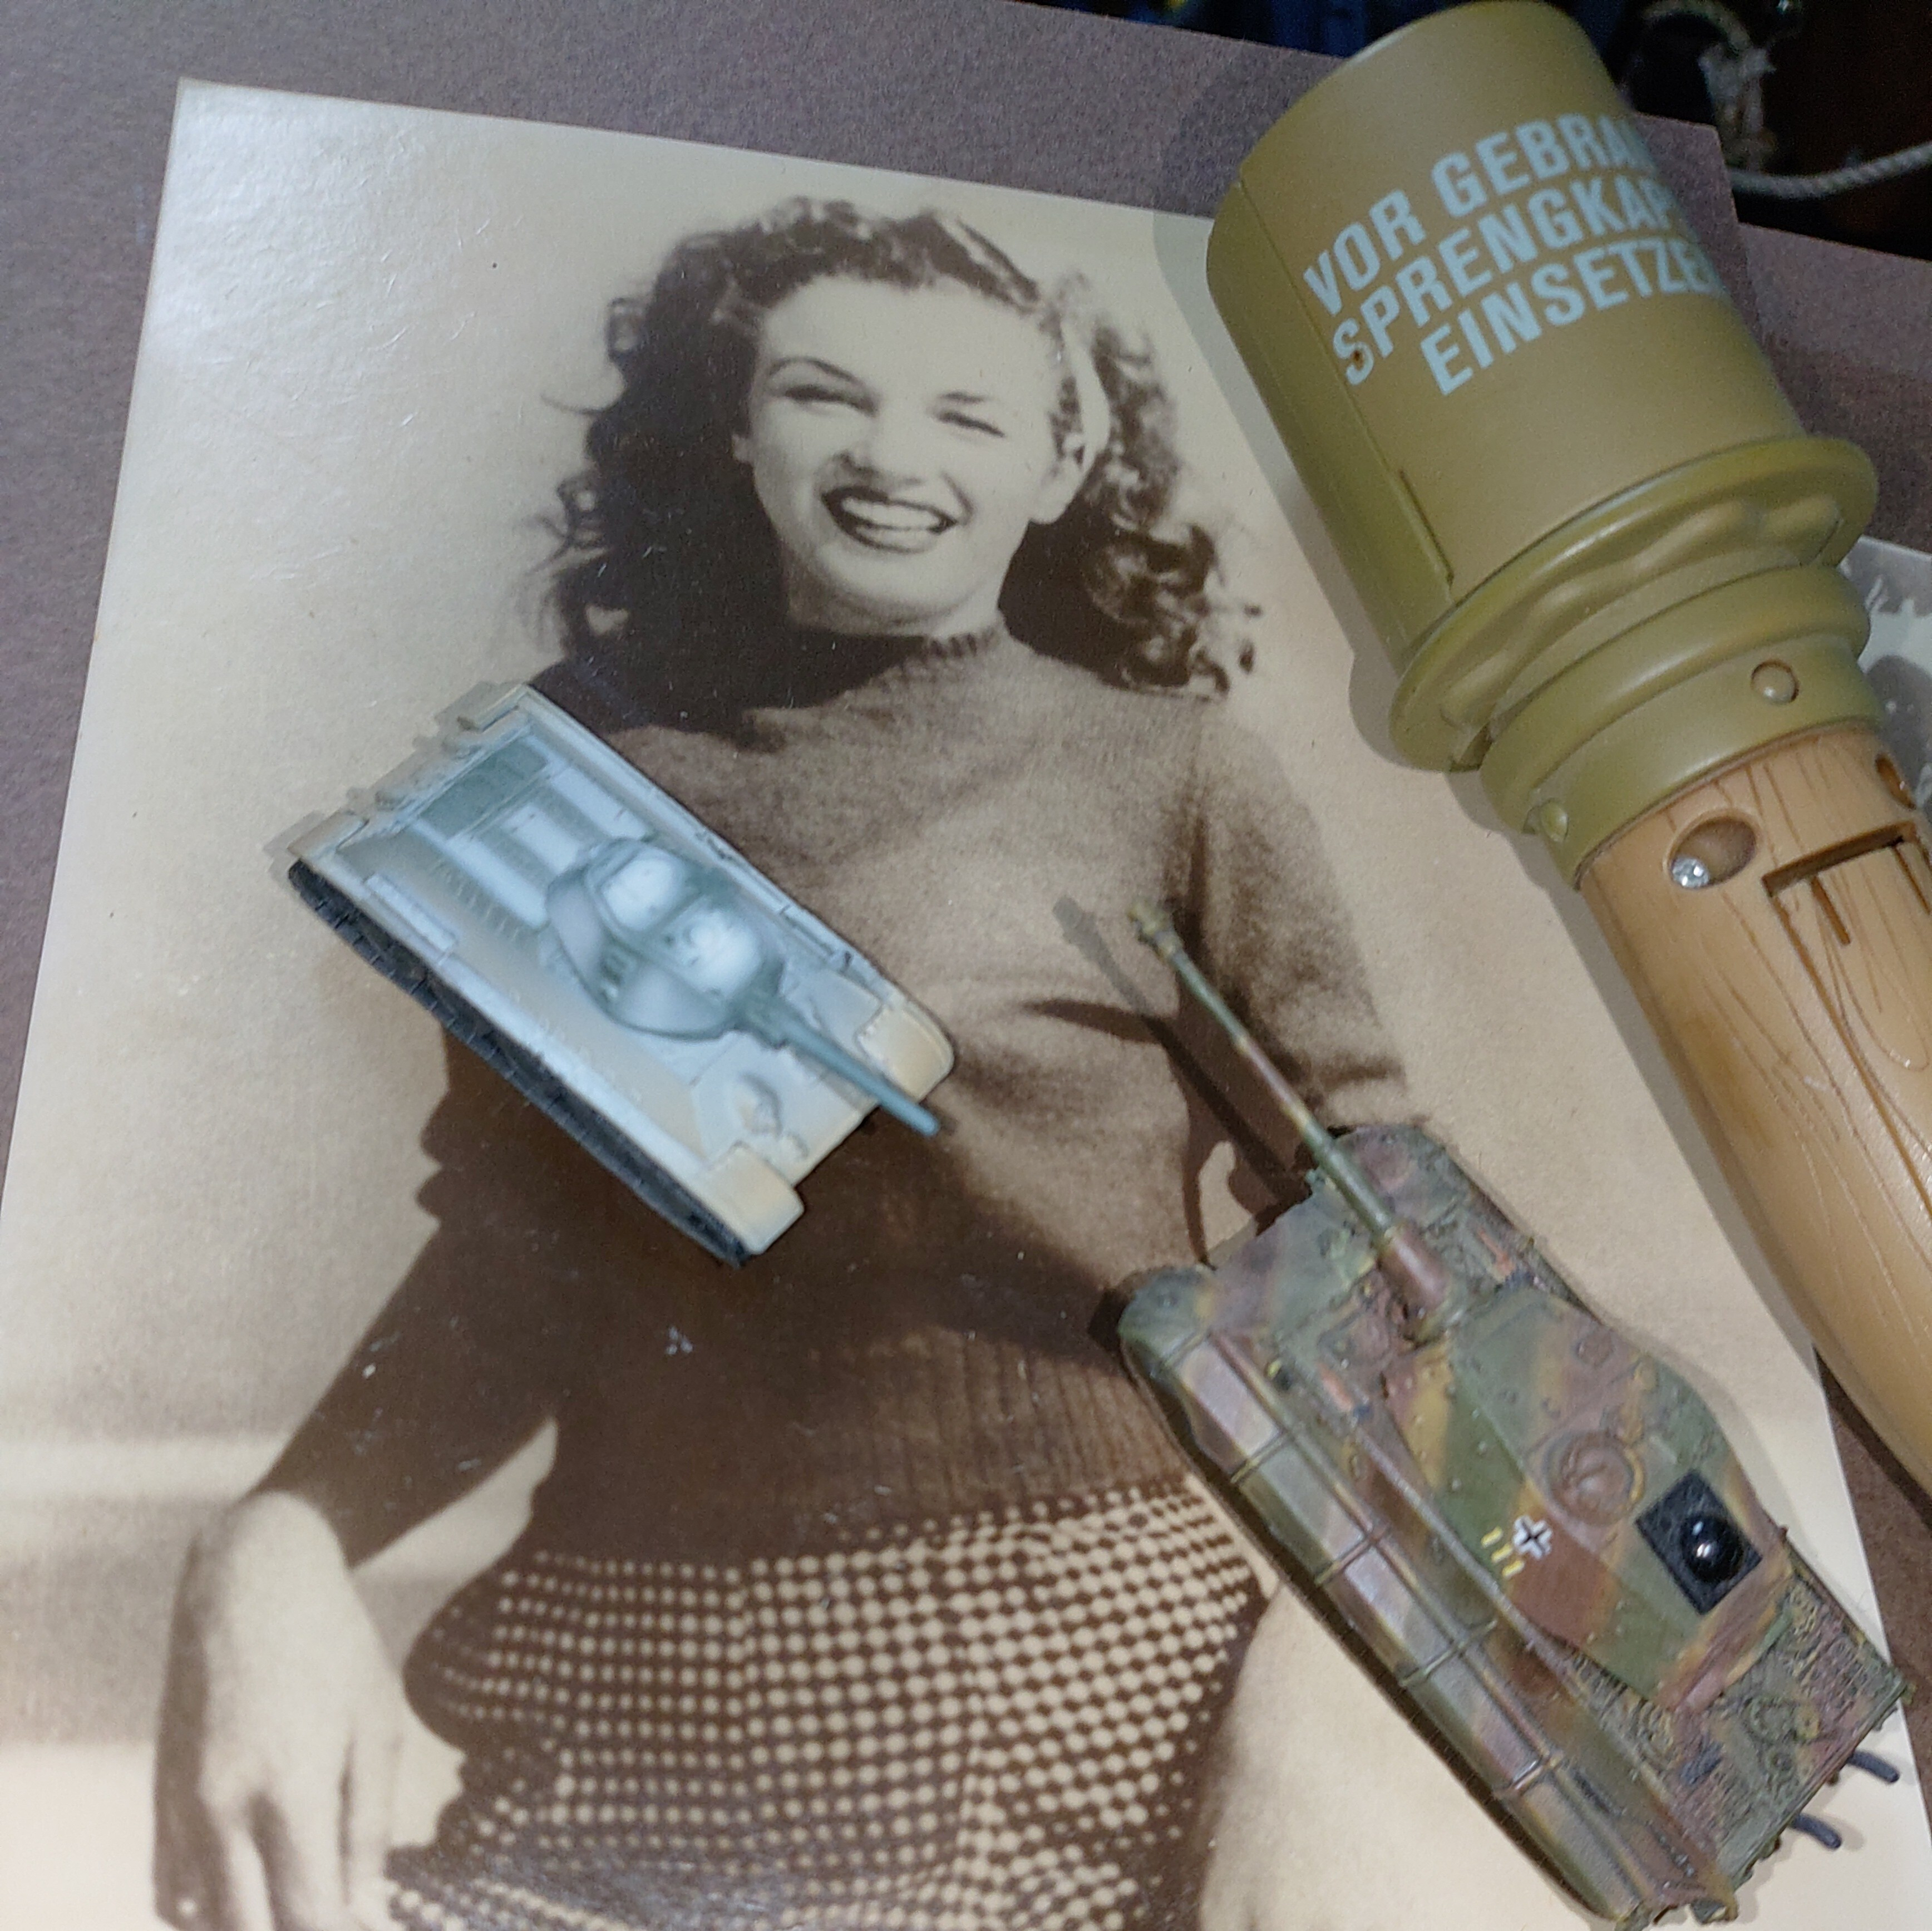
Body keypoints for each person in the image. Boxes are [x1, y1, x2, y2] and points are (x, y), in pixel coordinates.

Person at [154, 199, 1404, 1931]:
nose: (894, 458)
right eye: (827, 394)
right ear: (739, 425)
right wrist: (275, 1542)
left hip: (1054, 1685)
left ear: (1060, 463)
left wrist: (1331, 1720)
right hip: (604, 1687)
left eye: (966, 413)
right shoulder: (567, 763)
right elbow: (514, 1276)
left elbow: (1398, 1257)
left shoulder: (1177, 779)